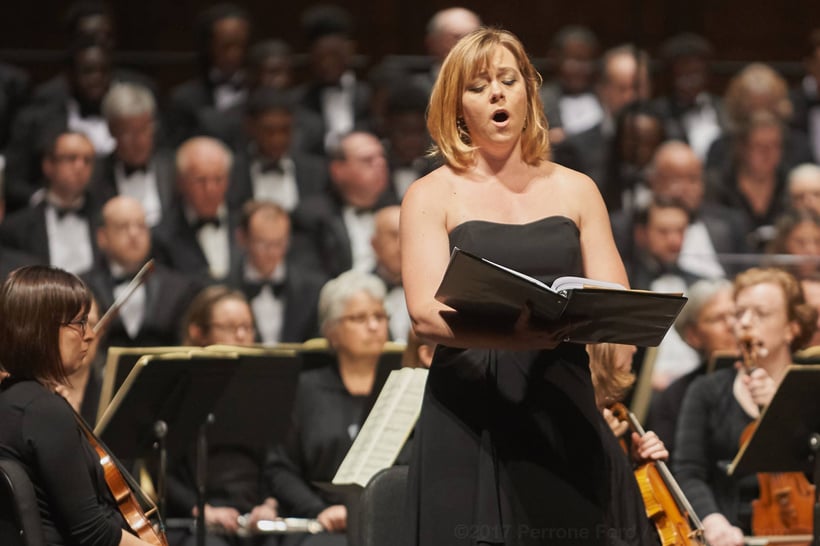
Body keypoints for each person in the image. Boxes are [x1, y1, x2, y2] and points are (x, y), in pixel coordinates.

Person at [400, 28, 641, 545]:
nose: (496, 93)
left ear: (529, 94)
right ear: (456, 106)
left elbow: (615, 307)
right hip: (467, 403)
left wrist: (610, 367)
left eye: (508, 80)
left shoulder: (577, 189)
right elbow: (423, 315)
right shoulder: (430, 194)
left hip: (560, 397)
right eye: (479, 84)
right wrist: (517, 337)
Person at [0, 265, 157, 546]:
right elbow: (92, 532)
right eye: (79, 322)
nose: (90, 334)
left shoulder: (13, 400)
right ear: (41, 329)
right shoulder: (43, 410)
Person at [673, 268, 817, 546]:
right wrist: (713, 521)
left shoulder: (811, 385)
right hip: (733, 533)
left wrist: (779, 410)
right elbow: (689, 471)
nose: (745, 323)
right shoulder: (706, 391)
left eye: (761, 314)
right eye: (739, 313)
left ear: (792, 327)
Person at [264, 270, 390, 545]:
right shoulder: (305, 389)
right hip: (323, 525)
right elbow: (280, 468)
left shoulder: (400, 385)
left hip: (388, 519)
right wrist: (319, 510)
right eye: (359, 318)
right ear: (331, 331)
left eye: (379, 317)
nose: (373, 326)